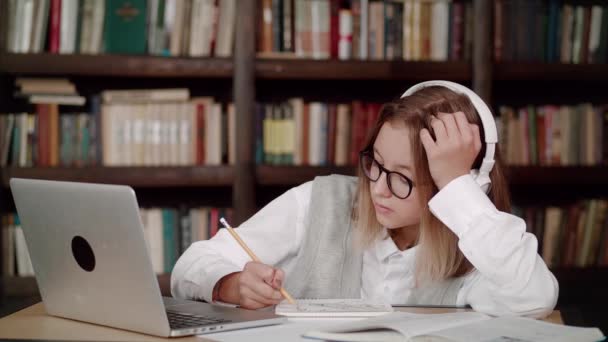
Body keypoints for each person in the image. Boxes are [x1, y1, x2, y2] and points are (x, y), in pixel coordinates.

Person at [171, 81, 558, 318]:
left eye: (403, 178)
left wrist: (459, 187)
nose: (378, 188)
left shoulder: (481, 245)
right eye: (375, 163)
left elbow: (534, 298)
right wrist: (230, 284)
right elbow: (190, 265)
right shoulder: (319, 201)